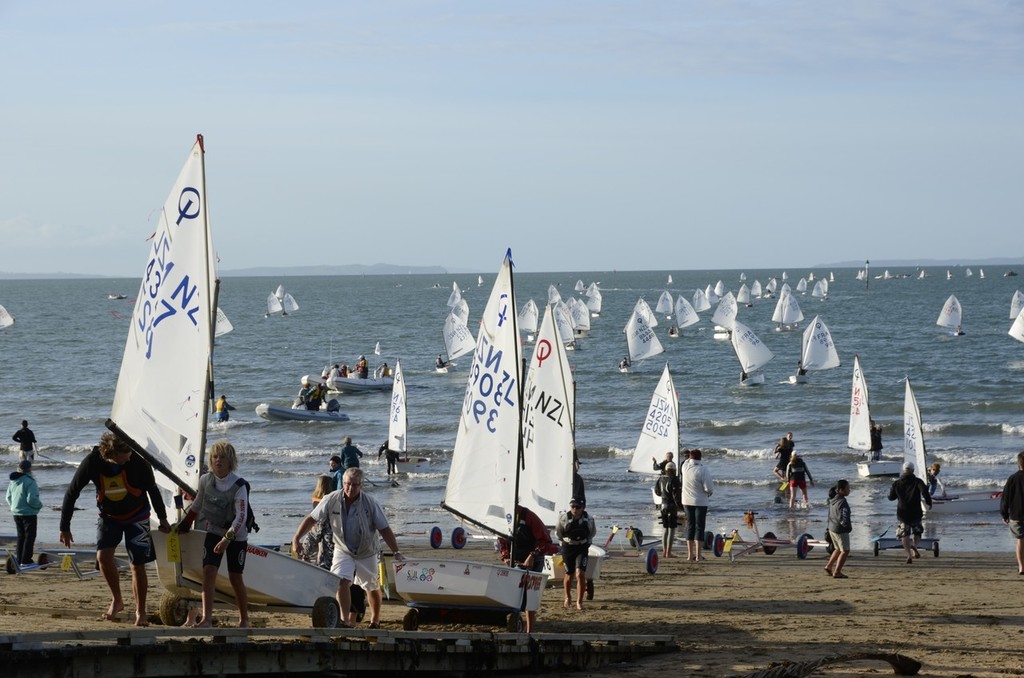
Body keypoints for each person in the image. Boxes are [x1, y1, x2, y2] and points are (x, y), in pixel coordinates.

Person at [59, 432, 171, 626]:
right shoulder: (92, 462)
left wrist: (163, 518)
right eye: (126, 453)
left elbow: (153, 490)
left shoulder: (137, 461)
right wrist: (64, 527)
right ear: (112, 455)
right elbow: (72, 492)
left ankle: (140, 612)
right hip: (109, 518)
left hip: (138, 517)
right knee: (102, 558)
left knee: (137, 565)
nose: (130, 455)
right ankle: (117, 600)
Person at [291, 467, 403, 629]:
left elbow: (384, 528)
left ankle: (375, 620)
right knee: (341, 581)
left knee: (371, 585)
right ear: (343, 483)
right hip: (343, 549)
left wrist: (396, 551)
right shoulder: (331, 499)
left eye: (355, 485)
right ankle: (345, 620)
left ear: (361, 485)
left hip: (366, 550)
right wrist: (296, 538)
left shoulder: (370, 503)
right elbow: (312, 519)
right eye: (347, 484)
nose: (350, 488)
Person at [176, 440, 250, 628]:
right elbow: (197, 505)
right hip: (214, 531)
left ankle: (244, 619)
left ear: (230, 460)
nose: (218, 460)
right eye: (215, 457)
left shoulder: (239, 485)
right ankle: (207, 619)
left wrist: (227, 539)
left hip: (236, 535)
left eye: (223, 457)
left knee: (235, 576)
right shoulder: (205, 480)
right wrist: (183, 525)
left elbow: (241, 517)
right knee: (208, 572)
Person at [498, 503, 555, 633]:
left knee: (530, 594)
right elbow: (501, 540)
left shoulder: (529, 516)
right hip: (517, 560)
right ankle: (517, 623)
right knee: (515, 593)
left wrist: (532, 555)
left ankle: (529, 630)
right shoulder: (504, 519)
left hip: (534, 559)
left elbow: (545, 540)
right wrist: (505, 556)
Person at [888, 462, 933, 564]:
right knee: (917, 532)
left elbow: (891, 497)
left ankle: (908, 555)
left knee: (904, 534)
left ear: (903, 470)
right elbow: (925, 492)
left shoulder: (897, 483)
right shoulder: (918, 482)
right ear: (913, 470)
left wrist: (897, 494)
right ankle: (915, 547)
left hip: (902, 513)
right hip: (916, 512)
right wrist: (929, 502)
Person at [556, 497, 595, 610]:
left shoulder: (589, 519)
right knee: (569, 574)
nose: (575, 509)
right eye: (572, 506)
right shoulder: (563, 519)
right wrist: (565, 543)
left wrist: (585, 544)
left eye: (578, 507)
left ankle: (579, 602)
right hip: (568, 547)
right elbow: (559, 534)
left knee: (580, 574)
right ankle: (567, 597)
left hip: (582, 547)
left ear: (583, 508)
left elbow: (592, 533)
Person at [6, 459, 42, 567]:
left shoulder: (13, 480)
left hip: (16, 512)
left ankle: (19, 558)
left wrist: (13, 506)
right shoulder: (30, 481)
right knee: (30, 536)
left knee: (21, 536)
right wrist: (39, 505)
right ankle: (26, 560)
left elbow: (8, 497)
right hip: (28, 512)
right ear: (29, 469)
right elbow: (31, 499)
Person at [681, 449, 714, 561]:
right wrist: (709, 492)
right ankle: (698, 555)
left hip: (686, 501)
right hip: (700, 501)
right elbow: (708, 488)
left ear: (690, 458)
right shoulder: (703, 469)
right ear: (700, 458)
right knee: (699, 527)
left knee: (690, 526)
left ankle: (690, 555)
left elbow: (685, 460)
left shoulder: (685, 467)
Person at [299, 475, 336, 570]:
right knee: (323, 550)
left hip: (317, 525)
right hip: (328, 527)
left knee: (317, 549)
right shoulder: (330, 499)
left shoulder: (315, 498)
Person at [999, 451, 1024, 575]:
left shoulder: (1012, 478)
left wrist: (1004, 514)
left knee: (1020, 540)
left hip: (1016, 515)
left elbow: (1005, 498)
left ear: (1018, 464)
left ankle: (1021, 567)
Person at [825, 479, 852, 579]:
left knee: (837, 549)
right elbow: (844, 516)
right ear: (841, 490)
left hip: (832, 527)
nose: (849, 490)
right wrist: (846, 526)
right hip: (840, 530)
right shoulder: (842, 502)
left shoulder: (833, 499)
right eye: (848, 488)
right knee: (845, 550)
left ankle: (829, 566)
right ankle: (837, 571)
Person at [655, 462, 682, 558]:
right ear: (674, 470)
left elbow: (657, 492)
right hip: (671, 506)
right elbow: (676, 495)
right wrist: (680, 506)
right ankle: (669, 553)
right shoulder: (675, 479)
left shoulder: (661, 478)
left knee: (665, 528)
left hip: (663, 505)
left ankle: (664, 551)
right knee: (672, 529)